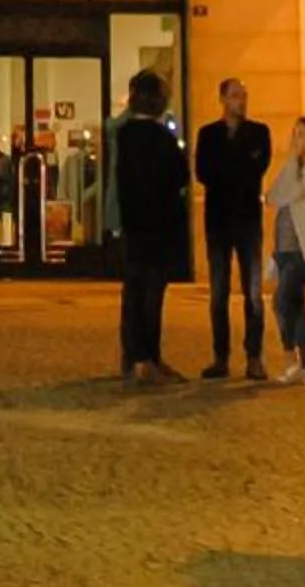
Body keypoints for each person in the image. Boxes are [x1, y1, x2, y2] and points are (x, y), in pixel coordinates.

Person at [111, 70, 192, 385]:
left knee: (133, 292)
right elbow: (179, 178)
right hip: (158, 228)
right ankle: (147, 358)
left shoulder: (123, 135)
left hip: (133, 225)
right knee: (151, 295)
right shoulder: (161, 140)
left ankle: (133, 357)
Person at [194, 78, 273, 381]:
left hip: (248, 221)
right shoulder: (208, 134)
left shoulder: (259, 133)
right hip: (218, 221)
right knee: (219, 292)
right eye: (236, 96)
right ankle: (220, 356)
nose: (241, 100)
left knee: (253, 292)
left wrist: (228, 171)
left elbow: (258, 167)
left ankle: (254, 356)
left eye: (244, 95)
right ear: (223, 99)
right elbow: (203, 172)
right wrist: (237, 168)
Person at [267, 116, 305, 386]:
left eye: (302, 134)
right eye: (295, 134)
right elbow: (272, 196)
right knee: (292, 304)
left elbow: (292, 193)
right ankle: (304, 363)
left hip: (303, 250)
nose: (296, 139)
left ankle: (296, 359)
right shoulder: (291, 166)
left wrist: (293, 162)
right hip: (283, 247)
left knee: (283, 301)